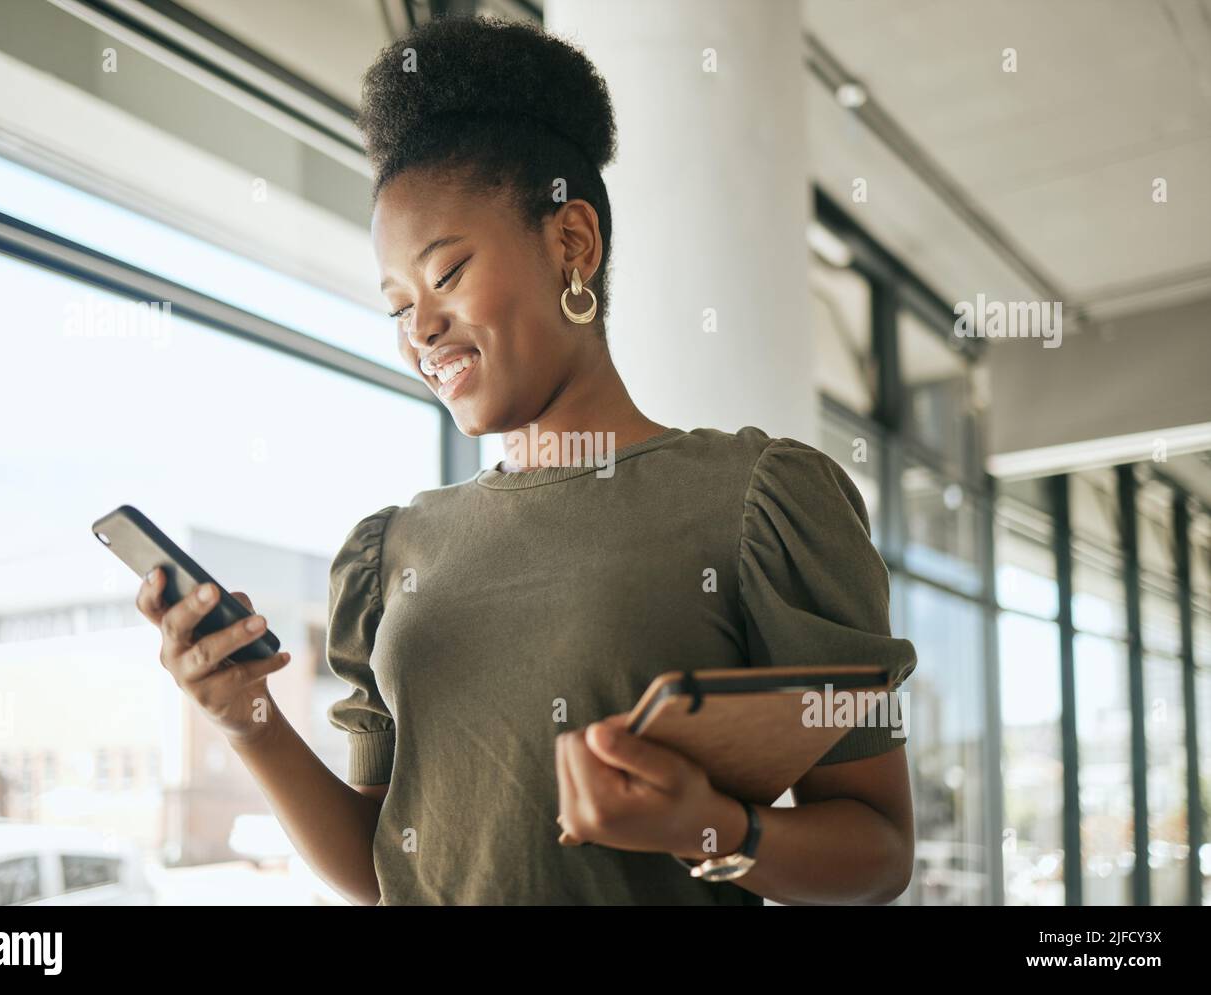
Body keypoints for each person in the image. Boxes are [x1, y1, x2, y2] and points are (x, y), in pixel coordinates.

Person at [136, 14, 918, 906]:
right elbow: (382, 868)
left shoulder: (755, 503)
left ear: (572, 244)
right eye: (397, 305)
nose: (420, 330)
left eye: (448, 274)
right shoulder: (391, 553)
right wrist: (248, 721)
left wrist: (705, 825)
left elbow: (880, 848)